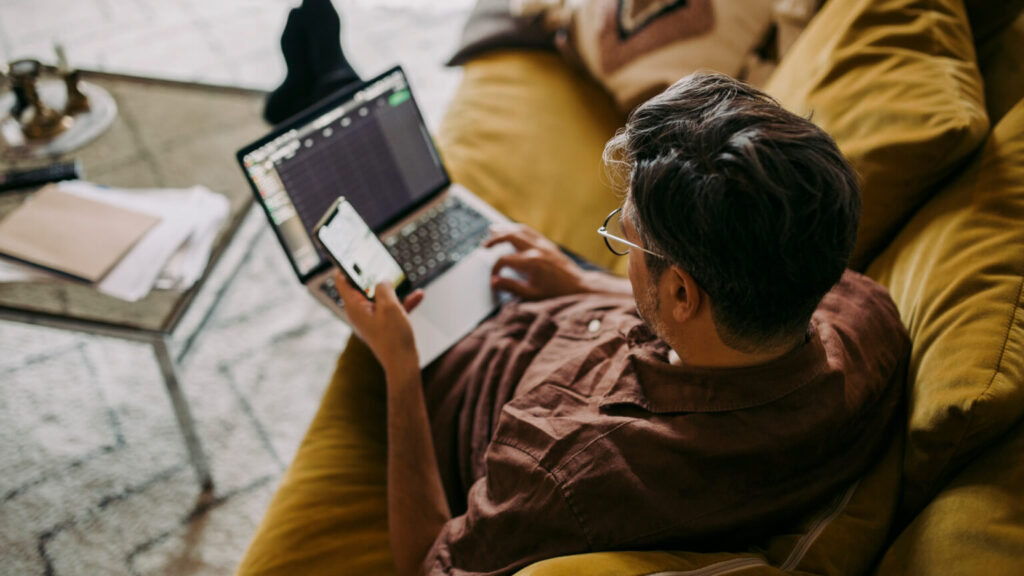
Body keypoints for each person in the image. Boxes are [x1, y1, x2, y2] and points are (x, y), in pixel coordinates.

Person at [240, 3, 909, 575]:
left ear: (680, 295)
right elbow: (727, 317)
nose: (619, 239)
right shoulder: (864, 318)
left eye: (628, 237)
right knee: (426, 199)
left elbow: (429, 561)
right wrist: (586, 280)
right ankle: (328, 89)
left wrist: (400, 364)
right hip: (579, 313)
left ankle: (318, 92)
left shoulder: (565, 470)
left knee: (348, 213)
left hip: (462, 357)